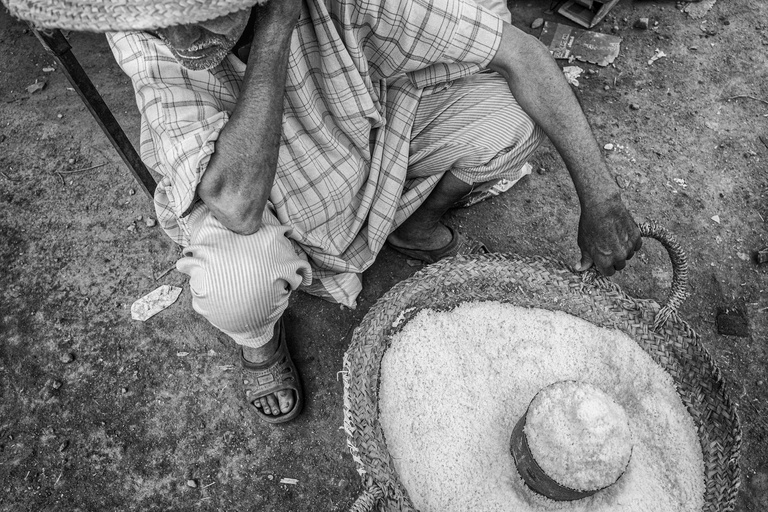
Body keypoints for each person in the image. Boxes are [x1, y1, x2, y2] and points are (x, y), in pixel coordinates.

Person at [5, 0, 641, 423]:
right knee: (234, 290)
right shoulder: (150, 38)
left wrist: (601, 198)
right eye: (164, 19)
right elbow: (235, 203)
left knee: (507, 115)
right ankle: (260, 343)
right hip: (255, 197)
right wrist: (275, 32)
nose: (181, 38)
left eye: (205, 13)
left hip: (358, 150)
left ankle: (411, 223)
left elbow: (520, 53)